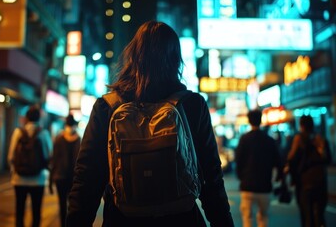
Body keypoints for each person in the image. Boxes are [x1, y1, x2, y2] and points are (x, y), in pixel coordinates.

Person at [66, 21, 234, 227]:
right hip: (181, 220)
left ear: (133, 57)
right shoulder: (192, 105)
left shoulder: (107, 107)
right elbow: (211, 176)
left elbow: (86, 180)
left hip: (122, 220)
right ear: (175, 59)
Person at [235, 109, 283, 227]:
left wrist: (241, 177)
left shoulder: (244, 139)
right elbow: (278, 161)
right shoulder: (269, 140)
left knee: (247, 217)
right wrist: (278, 178)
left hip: (247, 186)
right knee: (263, 216)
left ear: (249, 121)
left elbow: (238, 161)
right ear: (261, 120)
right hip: (265, 185)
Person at [7, 105, 52, 227]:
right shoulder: (43, 133)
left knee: (19, 210)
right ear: (39, 118)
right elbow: (49, 155)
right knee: (36, 211)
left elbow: (11, 156)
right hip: (38, 180)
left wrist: (14, 169)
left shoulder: (18, 132)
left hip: (19, 179)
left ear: (26, 118)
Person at [286, 115, 331, 227]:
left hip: (304, 182)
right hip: (321, 180)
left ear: (301, 125)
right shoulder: (320, 139)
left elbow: (292, 159)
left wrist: (292, 177)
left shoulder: (299, 139)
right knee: (319, 216)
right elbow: (328, 159)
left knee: (307, 216)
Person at [50, 114, 81, 227]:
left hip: (60, 176)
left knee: (61, 204)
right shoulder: (78, 139)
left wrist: (50, 179)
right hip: (73, 177)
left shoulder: (59, 138)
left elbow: (54, 159)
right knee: (72, 206)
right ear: (74, 124)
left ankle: (62, 224)